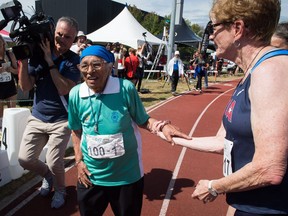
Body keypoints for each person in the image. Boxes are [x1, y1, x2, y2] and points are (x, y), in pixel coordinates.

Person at [162, 0, 288, 215]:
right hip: (251, 204)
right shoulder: (252, 72)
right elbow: (224, 141)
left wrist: (214, 186)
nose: (210, 36)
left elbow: (270, 169)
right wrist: (173, 137)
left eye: (212, 27)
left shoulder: (271, 71)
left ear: (237, 28)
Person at [68, 45, 191, 216]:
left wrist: (162, 126)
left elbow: (143, 120)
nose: (90, 71)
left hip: (126, 177)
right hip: (91, 176)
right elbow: (76, 130)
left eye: (96, 64)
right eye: (84, 65)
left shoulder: (125, 88)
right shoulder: (75, 93)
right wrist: (79, 162)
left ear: (110, 66)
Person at [18, 16, 81, 209]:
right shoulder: (37, 54)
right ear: (53, 32)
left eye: (67, 37)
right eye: (59, 34)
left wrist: (49, 61)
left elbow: (64, 89)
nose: (61, 39)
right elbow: (26, 85)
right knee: (25, 159)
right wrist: (24, 60)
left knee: (55, 162)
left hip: (61, 119)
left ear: (74, 40)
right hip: (37, 116)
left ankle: (60, 190)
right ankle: (47, 176)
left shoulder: (73, 60)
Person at [0, 35, 18, 129]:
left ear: (3, 43)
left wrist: (10, 69)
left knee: (12, 111)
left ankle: (12, 129)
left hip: (10, 86)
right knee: (1, 115)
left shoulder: (10, 54)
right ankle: (2, 131)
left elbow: (17, 71)